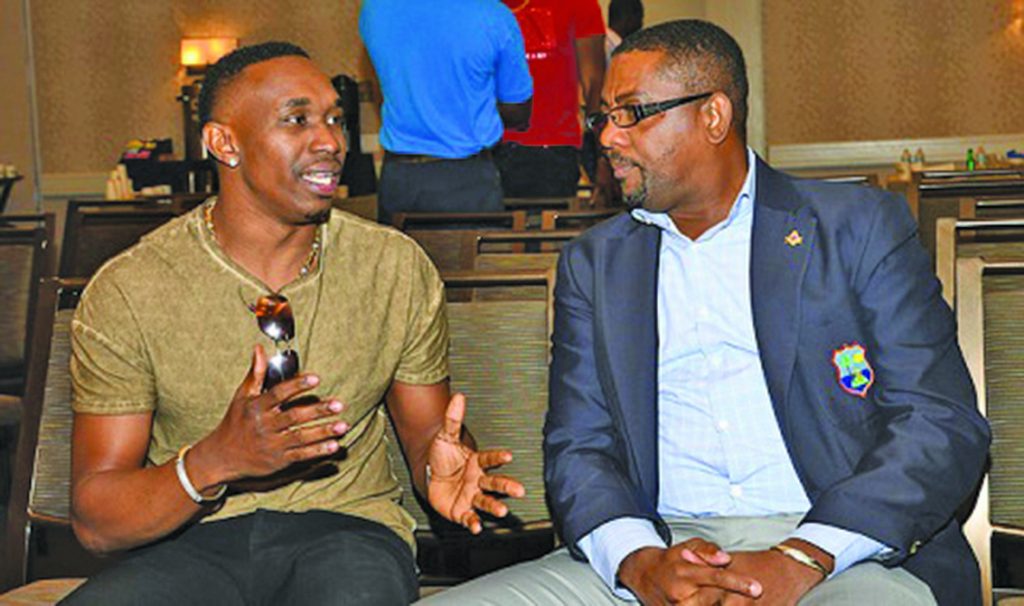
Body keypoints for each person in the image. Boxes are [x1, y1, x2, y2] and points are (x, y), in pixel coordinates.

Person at [421, 19, 990, 606]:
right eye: (603, 118)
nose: (608, 138)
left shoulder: (857, 228)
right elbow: (578, 447)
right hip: (659, 547)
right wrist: (639, 564)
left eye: (632, 113)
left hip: (839, 551)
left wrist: (802, 555)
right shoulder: (595, 264)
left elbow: (939, 423)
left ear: (713, 116)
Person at [62, 42, 523, 606]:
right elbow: (98, 519)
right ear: (224, 142)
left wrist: (443, 470)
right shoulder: (132, 287)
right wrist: (216, 460)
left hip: (348, 531)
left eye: (334, 118)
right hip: (187, 541)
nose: (329, 140)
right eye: (296, 120)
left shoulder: (392, 267)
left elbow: (428, 432)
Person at [359, 0, 533, 226]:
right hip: (467, 183)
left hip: (398, 178)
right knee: (471, 262)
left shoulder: (375, 8)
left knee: (400, 260)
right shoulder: (492, 15)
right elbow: (518, 111)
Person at [495, 0, 614, 205]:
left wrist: (605, 156)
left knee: (540, 232)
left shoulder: (578, 4)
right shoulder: (480, 7)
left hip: (551, 151)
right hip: (484, 151)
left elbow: (594, 84)